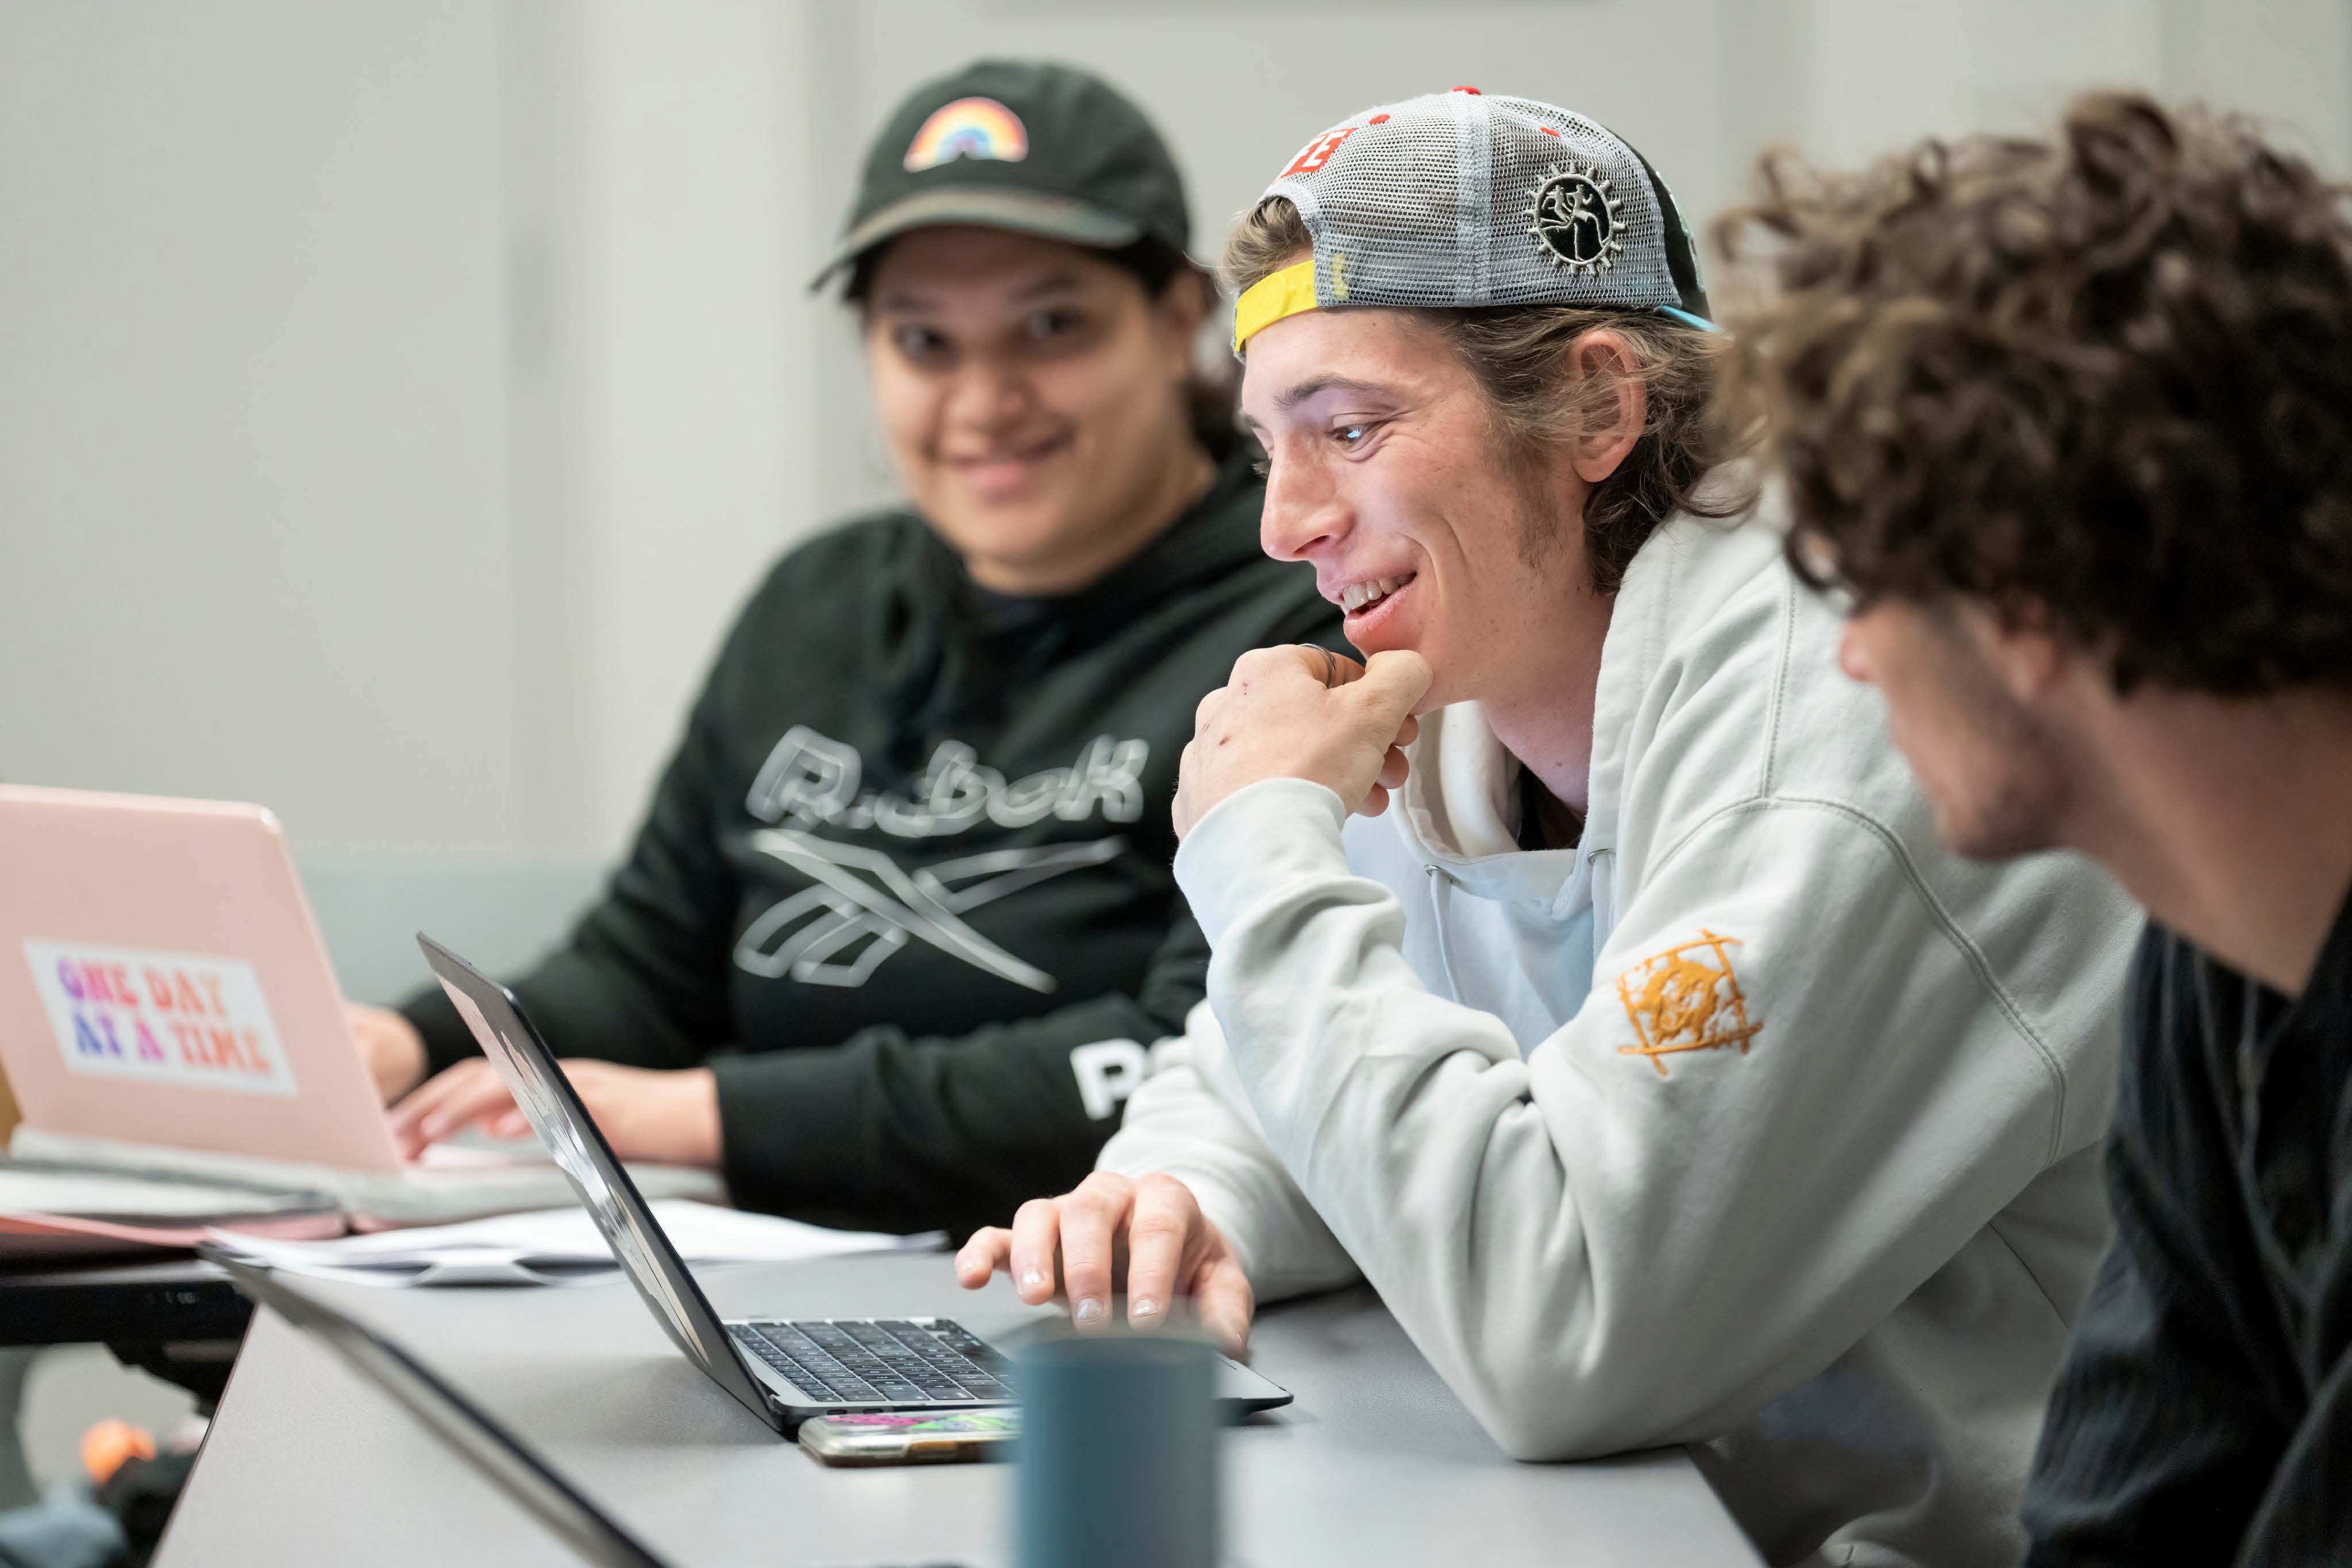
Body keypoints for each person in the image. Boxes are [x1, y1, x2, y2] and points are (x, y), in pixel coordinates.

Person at [955, 89, 2140, 1566]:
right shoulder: (1473, 671)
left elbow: (1570, 1332)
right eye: (1267, 443)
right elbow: (1269, 1075)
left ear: (1595, 407)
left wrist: (1260, 850)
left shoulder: (1834, 713)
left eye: (1352, 426)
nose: (1286, 523)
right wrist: (1184, 1194)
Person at [347, 59, 1341, 1237]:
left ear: (1181, 321)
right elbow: (646, 967)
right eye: (923, 341)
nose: (984, 400)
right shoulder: (813, 604)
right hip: (767, 1276)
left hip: (1097, 1290)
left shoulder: (1305, 610)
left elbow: (1201, 1053)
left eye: (1051, 325)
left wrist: (712, 1119)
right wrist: (402, 1043)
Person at [1718, 92, 2352, 1566]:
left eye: (1856, 582)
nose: (1855, 656)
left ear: (2016, 596)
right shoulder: (2218, 964)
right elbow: (2123, 1527)